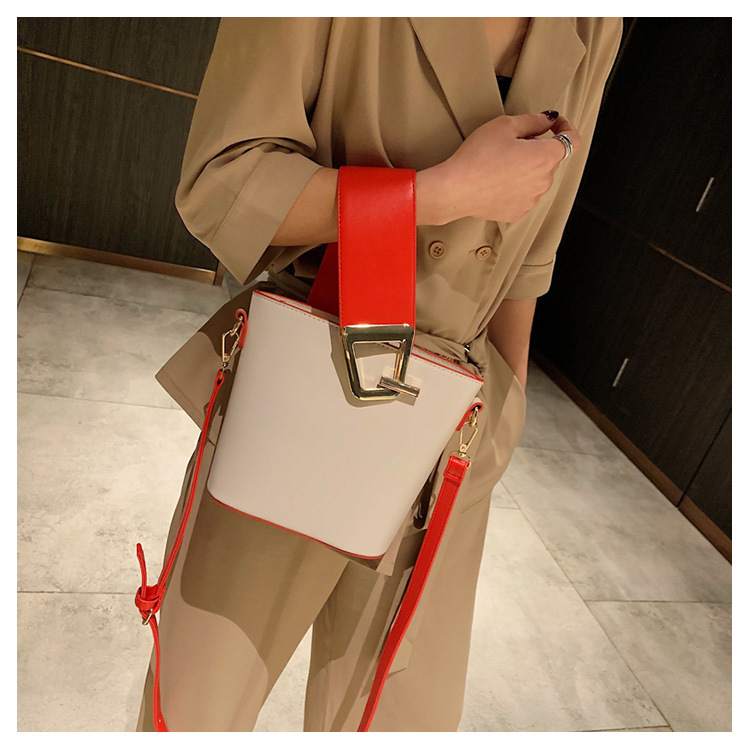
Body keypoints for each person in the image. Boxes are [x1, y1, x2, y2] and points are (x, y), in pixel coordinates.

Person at [135, 17, 623, 731]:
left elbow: (538, 237)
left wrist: (508, 402)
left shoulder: (596, 18)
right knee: (197, 707)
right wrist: (441, 193)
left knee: (400, 718)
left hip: (457, 422)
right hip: (308, 379)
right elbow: (222, 180)